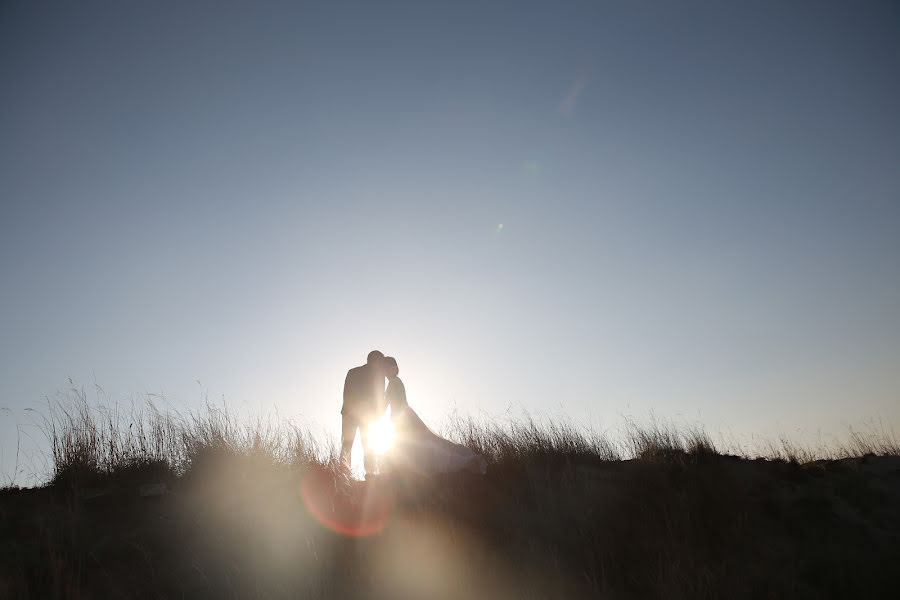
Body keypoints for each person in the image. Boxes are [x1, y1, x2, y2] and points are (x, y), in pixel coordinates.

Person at [383, 356, 486, 476]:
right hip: (402, 417)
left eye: (389, 367)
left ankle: (465, 462)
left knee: (420, 446)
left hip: (403, 418)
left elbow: (386, 404)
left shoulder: (394, 382)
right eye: (385, 368)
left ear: (395, 369)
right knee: (417, 446)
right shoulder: (394, 382)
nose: (386, 371)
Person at [341, 350, 387, 478]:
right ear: (376, 360)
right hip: (367, 415)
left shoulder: (352, 371)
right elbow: (380, 396)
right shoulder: (379, 375)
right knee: (368, 444)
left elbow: (346, 393)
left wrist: (346, 411)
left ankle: (343, 474)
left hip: (349, 413)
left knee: (347, 445)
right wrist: (379, 415)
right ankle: (370, 474)